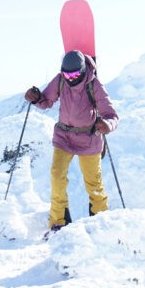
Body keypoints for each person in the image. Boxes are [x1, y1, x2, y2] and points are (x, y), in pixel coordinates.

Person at [24, 50, 118, 236]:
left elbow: (111, 115)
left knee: (94, 184)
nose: (70, 78)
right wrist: (36, 98)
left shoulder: (94, 84)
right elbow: (46, 101)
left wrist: (107, 124)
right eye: (67, 74)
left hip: (88, 138)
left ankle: (100, 222)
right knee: (57, 176)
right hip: (64, 137)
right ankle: (58, 223)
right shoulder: (60, 80)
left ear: (83, 71)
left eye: (74, 75)